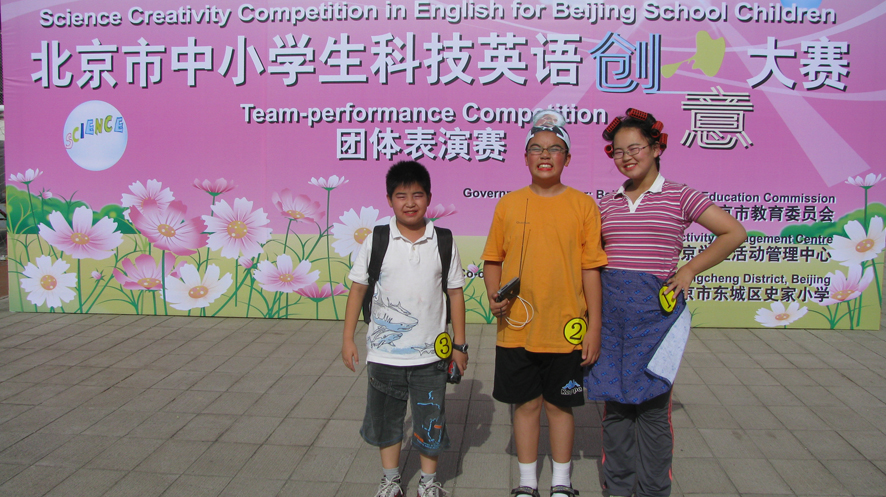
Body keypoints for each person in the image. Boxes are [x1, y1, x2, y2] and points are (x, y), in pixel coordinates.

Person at [585, 108, 747, 497]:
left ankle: (653, 490)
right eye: (618, 151)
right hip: (611, 320)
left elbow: (733, 232)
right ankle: (617, 488)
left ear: (656, 148)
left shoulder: (680, 195)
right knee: (615, 410)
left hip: (655, 320)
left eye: (635, 147)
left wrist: (689, 270)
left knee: (654, 411)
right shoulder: (606, 204)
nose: (626, 157)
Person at [482, 110, 608, 497]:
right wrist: (494, 295)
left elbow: (591, 269)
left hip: (566, 327)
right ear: (525, 158)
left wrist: (595, 327)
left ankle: (561, 482)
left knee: (559, 406)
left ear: (567, 158)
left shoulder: (583, 206)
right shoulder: (508, 204)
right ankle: (526, 482)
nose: (545, 155)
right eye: (536, 148)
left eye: (555, 148)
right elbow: (493, 260)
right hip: (517, 327)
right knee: (526, 405)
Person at [342, 160, 467, 497]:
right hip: (385, 357)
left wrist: (460, 345)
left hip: (431, 357)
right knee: (386, 420)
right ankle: (390, 480)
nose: (410, 203)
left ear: (429, 198)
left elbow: (455, 294)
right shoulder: (377, 239)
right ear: (389, 200)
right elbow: (358, 289)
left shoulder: (443, 240)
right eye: (401, 196)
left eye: (417, 195)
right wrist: (348, 338)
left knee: (430, 420)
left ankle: (428, 482)